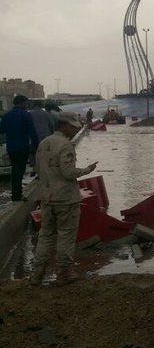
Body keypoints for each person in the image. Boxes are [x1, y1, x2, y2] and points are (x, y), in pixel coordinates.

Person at [29, 112, 97, 286]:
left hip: (46, 197)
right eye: (74, 127)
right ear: (65, 125)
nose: (76, 130)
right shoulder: (66, 145)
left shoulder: (44, 143)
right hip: (65, 199)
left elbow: (37, 168)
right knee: (66, 236)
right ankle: (64, 273)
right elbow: (68, 173)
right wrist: (86, 170)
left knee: (45, 235)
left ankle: (37, 273)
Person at [0, 95, 38, 201]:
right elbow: (33, 132)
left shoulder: (7, 115)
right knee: (19, 170)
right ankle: (17, 195)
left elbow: (1, 130)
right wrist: (36, 145)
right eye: (25, 103)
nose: (26, 105)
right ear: (21, 103)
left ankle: (16, 193)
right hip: (22, 147)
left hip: (11, 147)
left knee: (15, 169)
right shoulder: (26, 115)